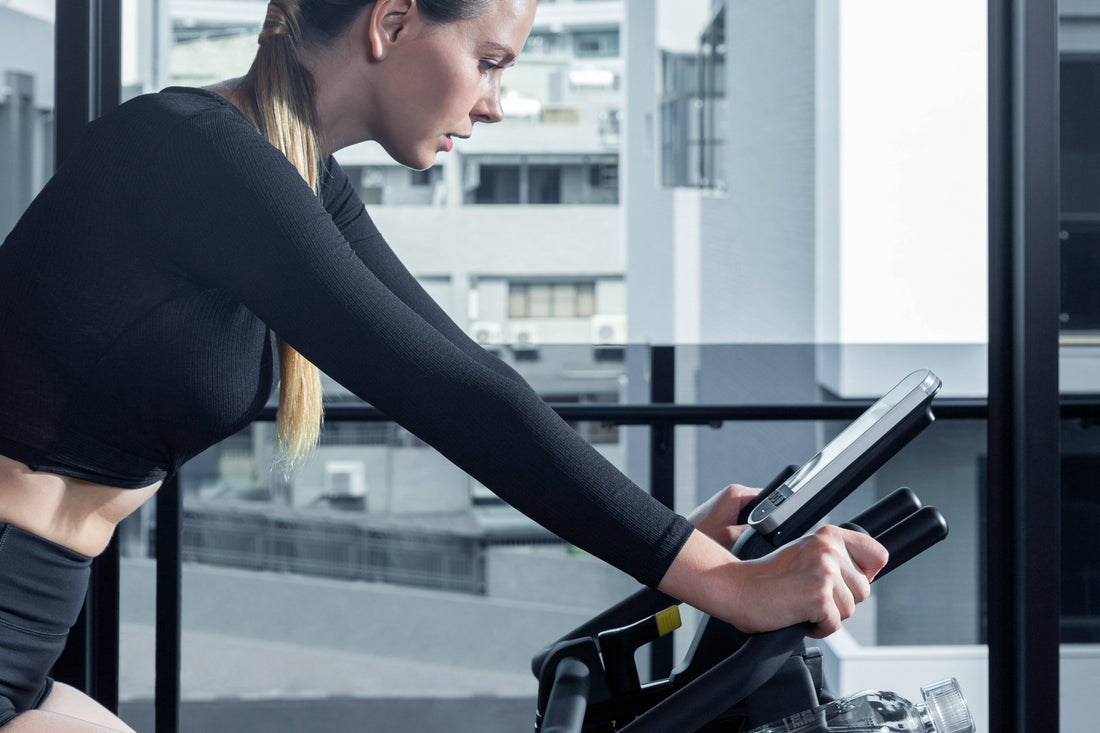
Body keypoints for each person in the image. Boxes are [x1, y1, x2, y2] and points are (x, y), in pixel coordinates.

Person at [0, 1, 887, 730]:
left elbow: (465, 365)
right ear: (390, 24)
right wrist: (722, 583)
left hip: (27, 632)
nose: (497, 103)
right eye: (491, 62)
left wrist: (683, 543)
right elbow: (448, 395)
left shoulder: (294, 175)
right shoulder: (190, 149)